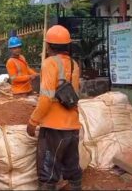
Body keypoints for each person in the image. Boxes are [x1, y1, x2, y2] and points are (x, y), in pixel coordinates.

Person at [26, 25, 82, 190]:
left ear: (48, 45)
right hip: (72, 125)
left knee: (47, 172)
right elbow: (74, 96)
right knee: (73, 169)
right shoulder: (74, 65)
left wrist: (33, 121)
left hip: (54, 127)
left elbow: (46, 98)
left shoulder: (49, 63)